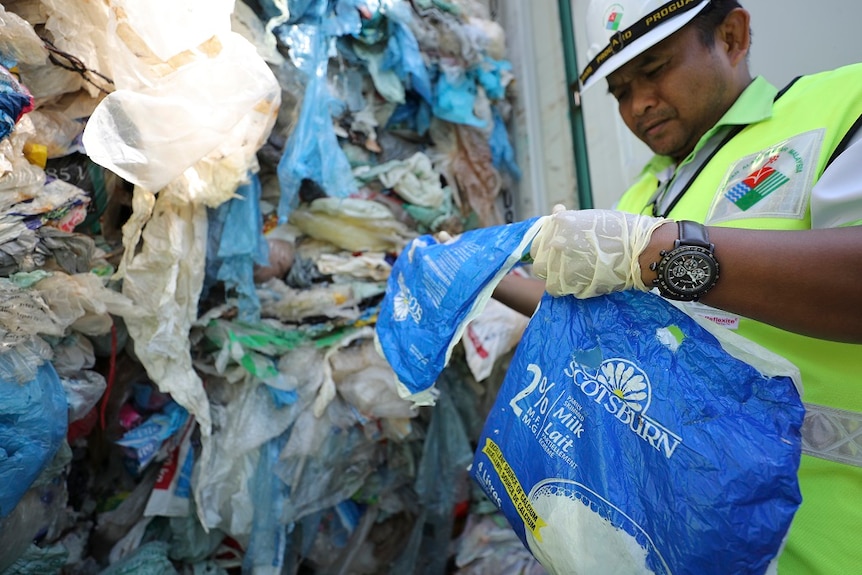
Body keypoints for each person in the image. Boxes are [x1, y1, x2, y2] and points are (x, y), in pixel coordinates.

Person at [493, 0, 862, 572]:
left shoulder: (839, 106)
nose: (638, 103)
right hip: (669, 538)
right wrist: (488, 277)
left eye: (656, 68)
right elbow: (595, 310)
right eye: (619, 91)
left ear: (733, 36)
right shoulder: (641, 195)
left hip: (818, 539)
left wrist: (660, 253)